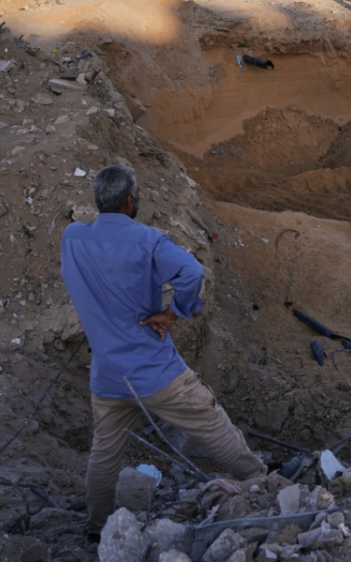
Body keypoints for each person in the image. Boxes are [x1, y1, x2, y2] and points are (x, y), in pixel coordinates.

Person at [61, 165, 265, 539]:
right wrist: (172, 313)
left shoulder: (73, 238)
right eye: (137, 195)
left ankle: (96, 528)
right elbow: (193, 273)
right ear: (129, 201)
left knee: (104, 454)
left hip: (108, 377)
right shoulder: (149, 241)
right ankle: (260, 483)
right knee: (210, 421)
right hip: (156, 371)